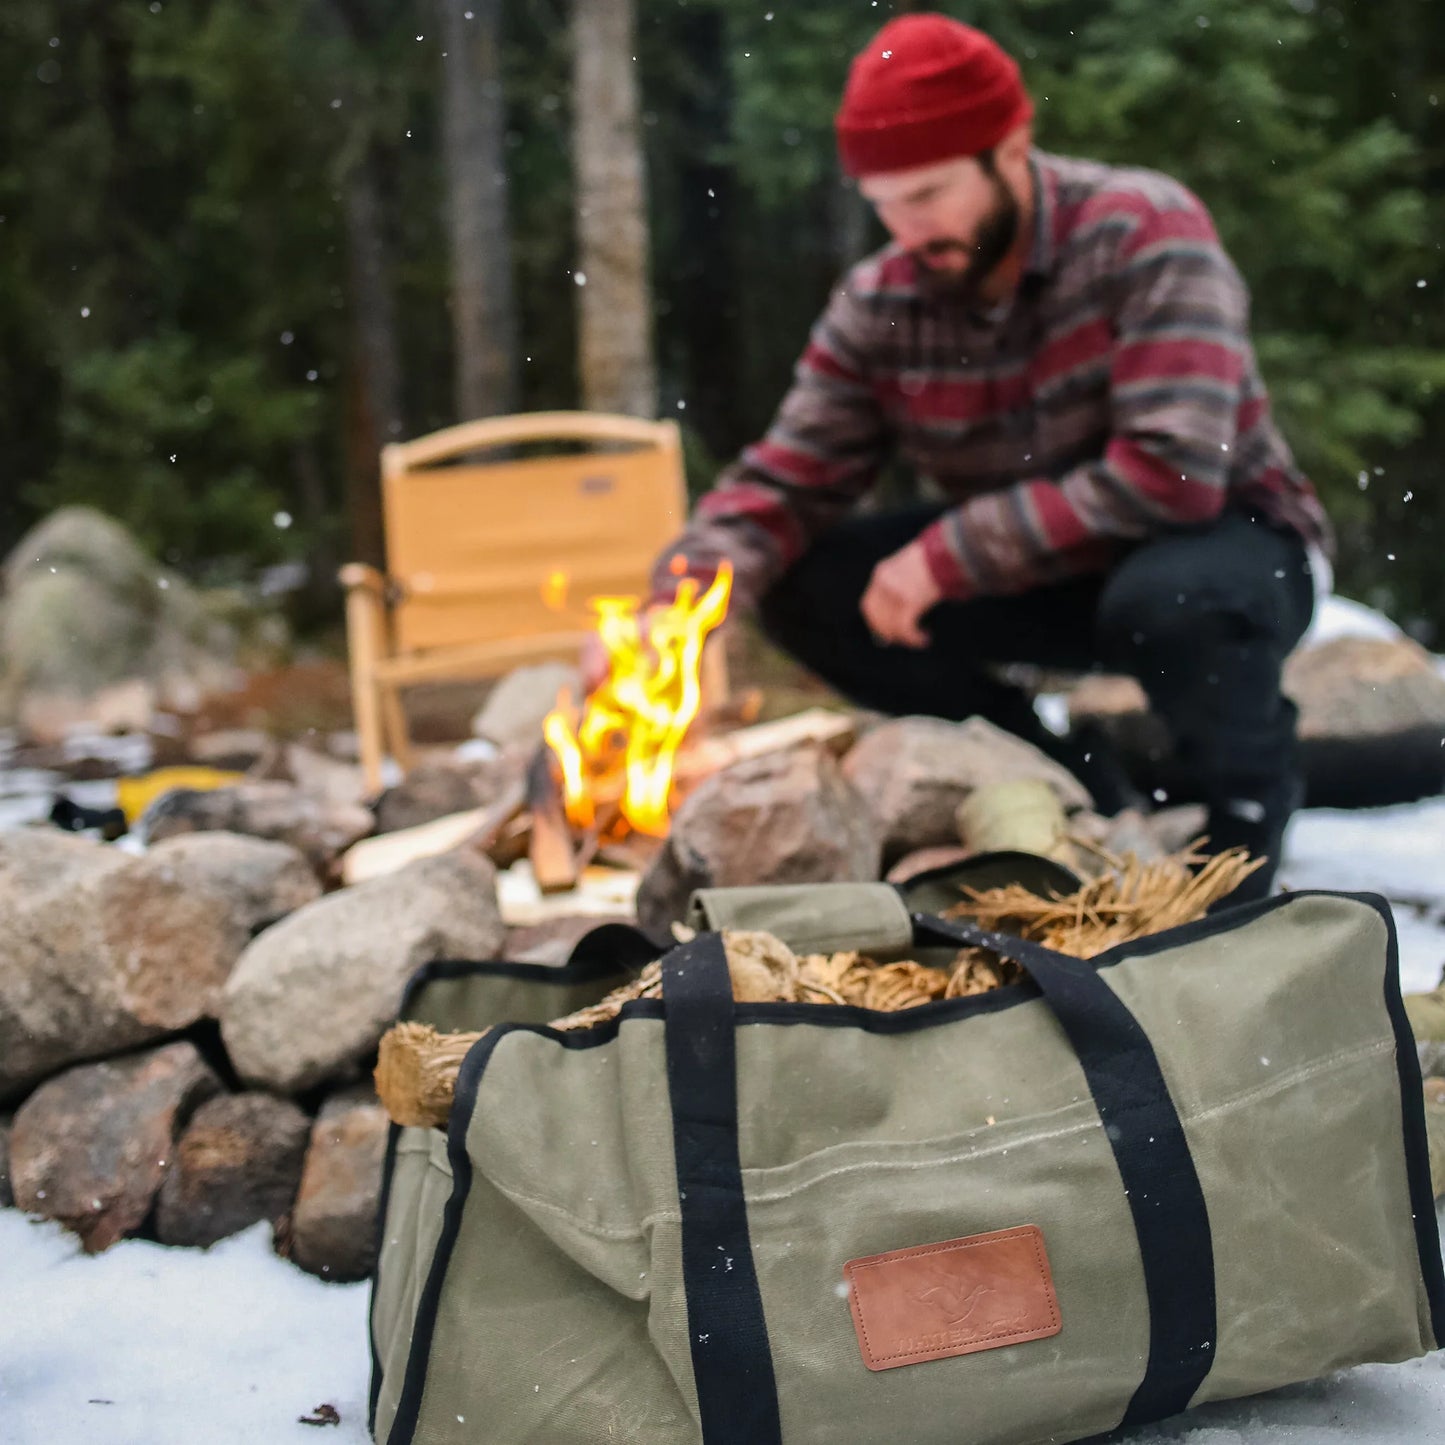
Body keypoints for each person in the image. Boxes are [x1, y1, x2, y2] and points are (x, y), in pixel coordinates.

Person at [642, 13, 1334, 901]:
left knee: (1176, 600)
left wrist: (945, 555)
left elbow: (1172, 475)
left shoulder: (1144, 231)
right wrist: (675, 608)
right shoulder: (882, 301)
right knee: (807, 584)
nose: (904, 225)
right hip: (1040, 570)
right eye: (883, 201)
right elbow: (789, 476)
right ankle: (1051, 769)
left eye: (927, 194)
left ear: (1011, 148)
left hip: (1221, 545)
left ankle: (1245, 823)